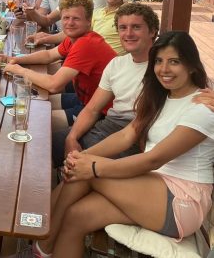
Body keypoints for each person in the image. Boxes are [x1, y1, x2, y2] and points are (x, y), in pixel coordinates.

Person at [34, 31, 214, 258]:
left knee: (86, 173)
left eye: (174, 62)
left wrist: (92, 166)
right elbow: (126, 135)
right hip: (152, 186)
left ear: (192, 66)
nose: (164, 69)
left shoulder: (202, 108)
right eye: (159, 61)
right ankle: (44, 241)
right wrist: (83, 156)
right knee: (76, 216)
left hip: (181, 201)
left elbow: (154, 159)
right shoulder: (160, 98)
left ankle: (44, 241)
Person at [52, 2, 160, 165]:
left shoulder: (161, 69)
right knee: (49, 143)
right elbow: (92, 109)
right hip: (108, 125)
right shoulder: (117, 64)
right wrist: (71, 138)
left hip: (135, 136)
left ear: (152, 31)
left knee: (60, 155)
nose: (128, 33)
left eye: (136, 27)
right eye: (123, 28)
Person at [3, 0, 117, 131]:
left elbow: (54, 85)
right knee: (34, 105)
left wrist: (18, 70)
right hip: (84, 98)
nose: (70, 23)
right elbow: (48, 55)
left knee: (35, 121)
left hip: (103, 112)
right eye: (66, 18)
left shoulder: (86, 43)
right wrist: (15, 59)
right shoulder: (75, 37)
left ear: (88, 21)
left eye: (76, 19)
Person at [32, 0, 131, 54]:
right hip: (85, 58)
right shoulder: (98, 12)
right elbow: (76, 31)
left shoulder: (127, 16)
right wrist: (45, 38)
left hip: (105, 66)